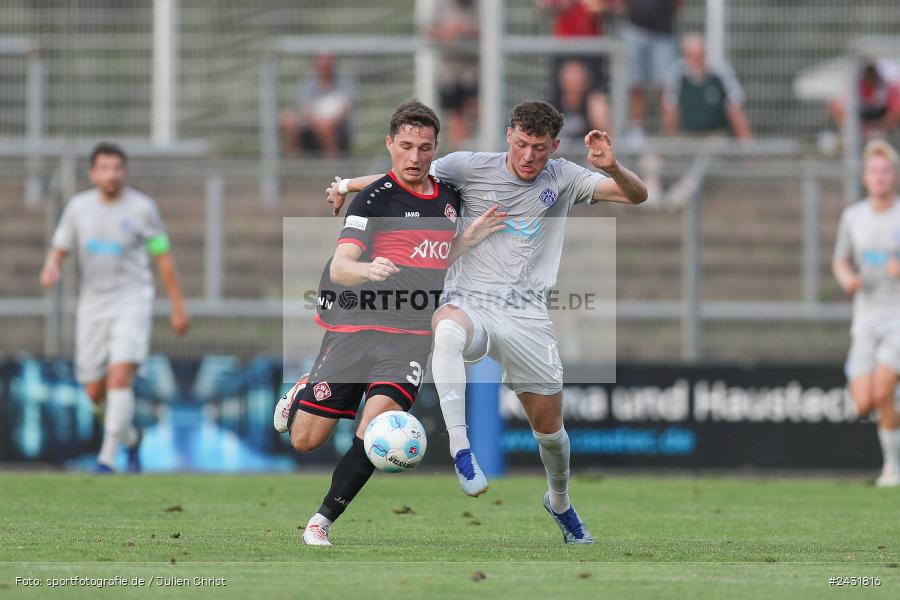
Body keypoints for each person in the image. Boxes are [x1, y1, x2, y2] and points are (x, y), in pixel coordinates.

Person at [328, 100, 647, 544]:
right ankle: (462, 450)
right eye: (520, 144)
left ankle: (559, 500)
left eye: (539, 148)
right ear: (507, 137)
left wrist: (614, 168)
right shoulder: (467, 166)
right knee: (447, 328)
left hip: (528, 316)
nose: (528, 156)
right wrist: (345, 185)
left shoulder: (567, 177)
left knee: (550, 432)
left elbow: (637, 195)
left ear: (554, 146)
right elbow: (406, 173)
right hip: (471, 301)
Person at [273, 101, 505, 546]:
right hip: (357, 326)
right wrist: (369, 269)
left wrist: (467, 241)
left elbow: (433, 259)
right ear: (389, 145)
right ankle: (305, 389)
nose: (415, 157)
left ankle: (321, 521)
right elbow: (342, 267)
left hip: (412, 336)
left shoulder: (449, 196)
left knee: (376, 428)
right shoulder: (373, 200)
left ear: (435, 149)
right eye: (405, 146)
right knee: (304, 440)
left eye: (424, 148)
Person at [40, 142, 190, 473]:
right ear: (93, 173)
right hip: (93, 303)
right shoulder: (78, 208)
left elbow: (162, 255)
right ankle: (131, 437)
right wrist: (51, 266)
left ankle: (107, 458)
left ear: (125, 171)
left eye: (117, 168)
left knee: (120, 374)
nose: (111, 174)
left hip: (132, 299)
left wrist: (177, 307)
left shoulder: (142, 209)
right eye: (104, 168)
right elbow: (60, 246)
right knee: (93, 390)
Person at [832, 138, 900, 488]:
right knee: (863, 404)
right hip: (866, 318)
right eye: (874, 171)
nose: (880, 177)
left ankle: (893, 469)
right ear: (865, 176)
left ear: (895, 176)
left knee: (882, 392)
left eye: (886, 170)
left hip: (898, 318)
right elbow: (840, 260)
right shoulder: (853, 217)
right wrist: (848, 279)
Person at [536, 0, 613, 132]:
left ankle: (604, 148)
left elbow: (617, 7)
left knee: (597, 102)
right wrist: (562, 5)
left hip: (592, 49)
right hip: (565, 46)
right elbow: (543, 5)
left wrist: (602, 7)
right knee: (556, 102)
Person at [661, 33, 752, 140]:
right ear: (685, 56)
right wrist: (669, 143)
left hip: (716, 135)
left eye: (699, 55)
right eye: (692, 56)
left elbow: (735, 109)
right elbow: (670, 110)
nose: (696, 60)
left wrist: (748, 148)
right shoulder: (676, 74)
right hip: (686, 136)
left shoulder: (720, 72)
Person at [622, 0, 681, 146]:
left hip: (664, 33)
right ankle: (636, 131)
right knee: (636, 85)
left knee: (667, 88)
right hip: (635, 28)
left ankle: (670, 136)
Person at [279, 53, 356, 158]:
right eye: (321, 60)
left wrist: (324, 121)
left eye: (328, 60)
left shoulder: (344, 82)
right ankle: (294, 166)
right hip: (310, 124)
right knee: (287, 120)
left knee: (325, 126)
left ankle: (332, 167)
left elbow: (345, 109)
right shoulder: (307, 83)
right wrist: (316, 119)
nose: (324, 65)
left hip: (337, 127)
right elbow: (304, 110)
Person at [426, 0, 480, 149]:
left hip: (472, 71)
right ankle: (460, 153)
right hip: (449, 72)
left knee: (474, 111)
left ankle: (477, 149)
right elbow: (429, 31)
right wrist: (447, 33)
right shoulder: (441, 6)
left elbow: (490, 31)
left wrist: (464, 30)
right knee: (456, 118)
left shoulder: (479, 6)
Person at [827, 61, 900, 141]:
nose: (871, 79)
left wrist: (877, 129)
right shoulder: (854, 87)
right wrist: (858, 129)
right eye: (868, 76)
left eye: (873, 75)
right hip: (861, 126)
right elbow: (835, 108)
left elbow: (896, 112)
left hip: (883, 126)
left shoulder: (889, 86)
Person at [556, 59, 610, 151]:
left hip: (586, 159)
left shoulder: (593, 105)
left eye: (577, 78)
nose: (573, 83)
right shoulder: (553, 105)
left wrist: (598, 112)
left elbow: (608, 140)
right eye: (569, 77)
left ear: (586, 80)